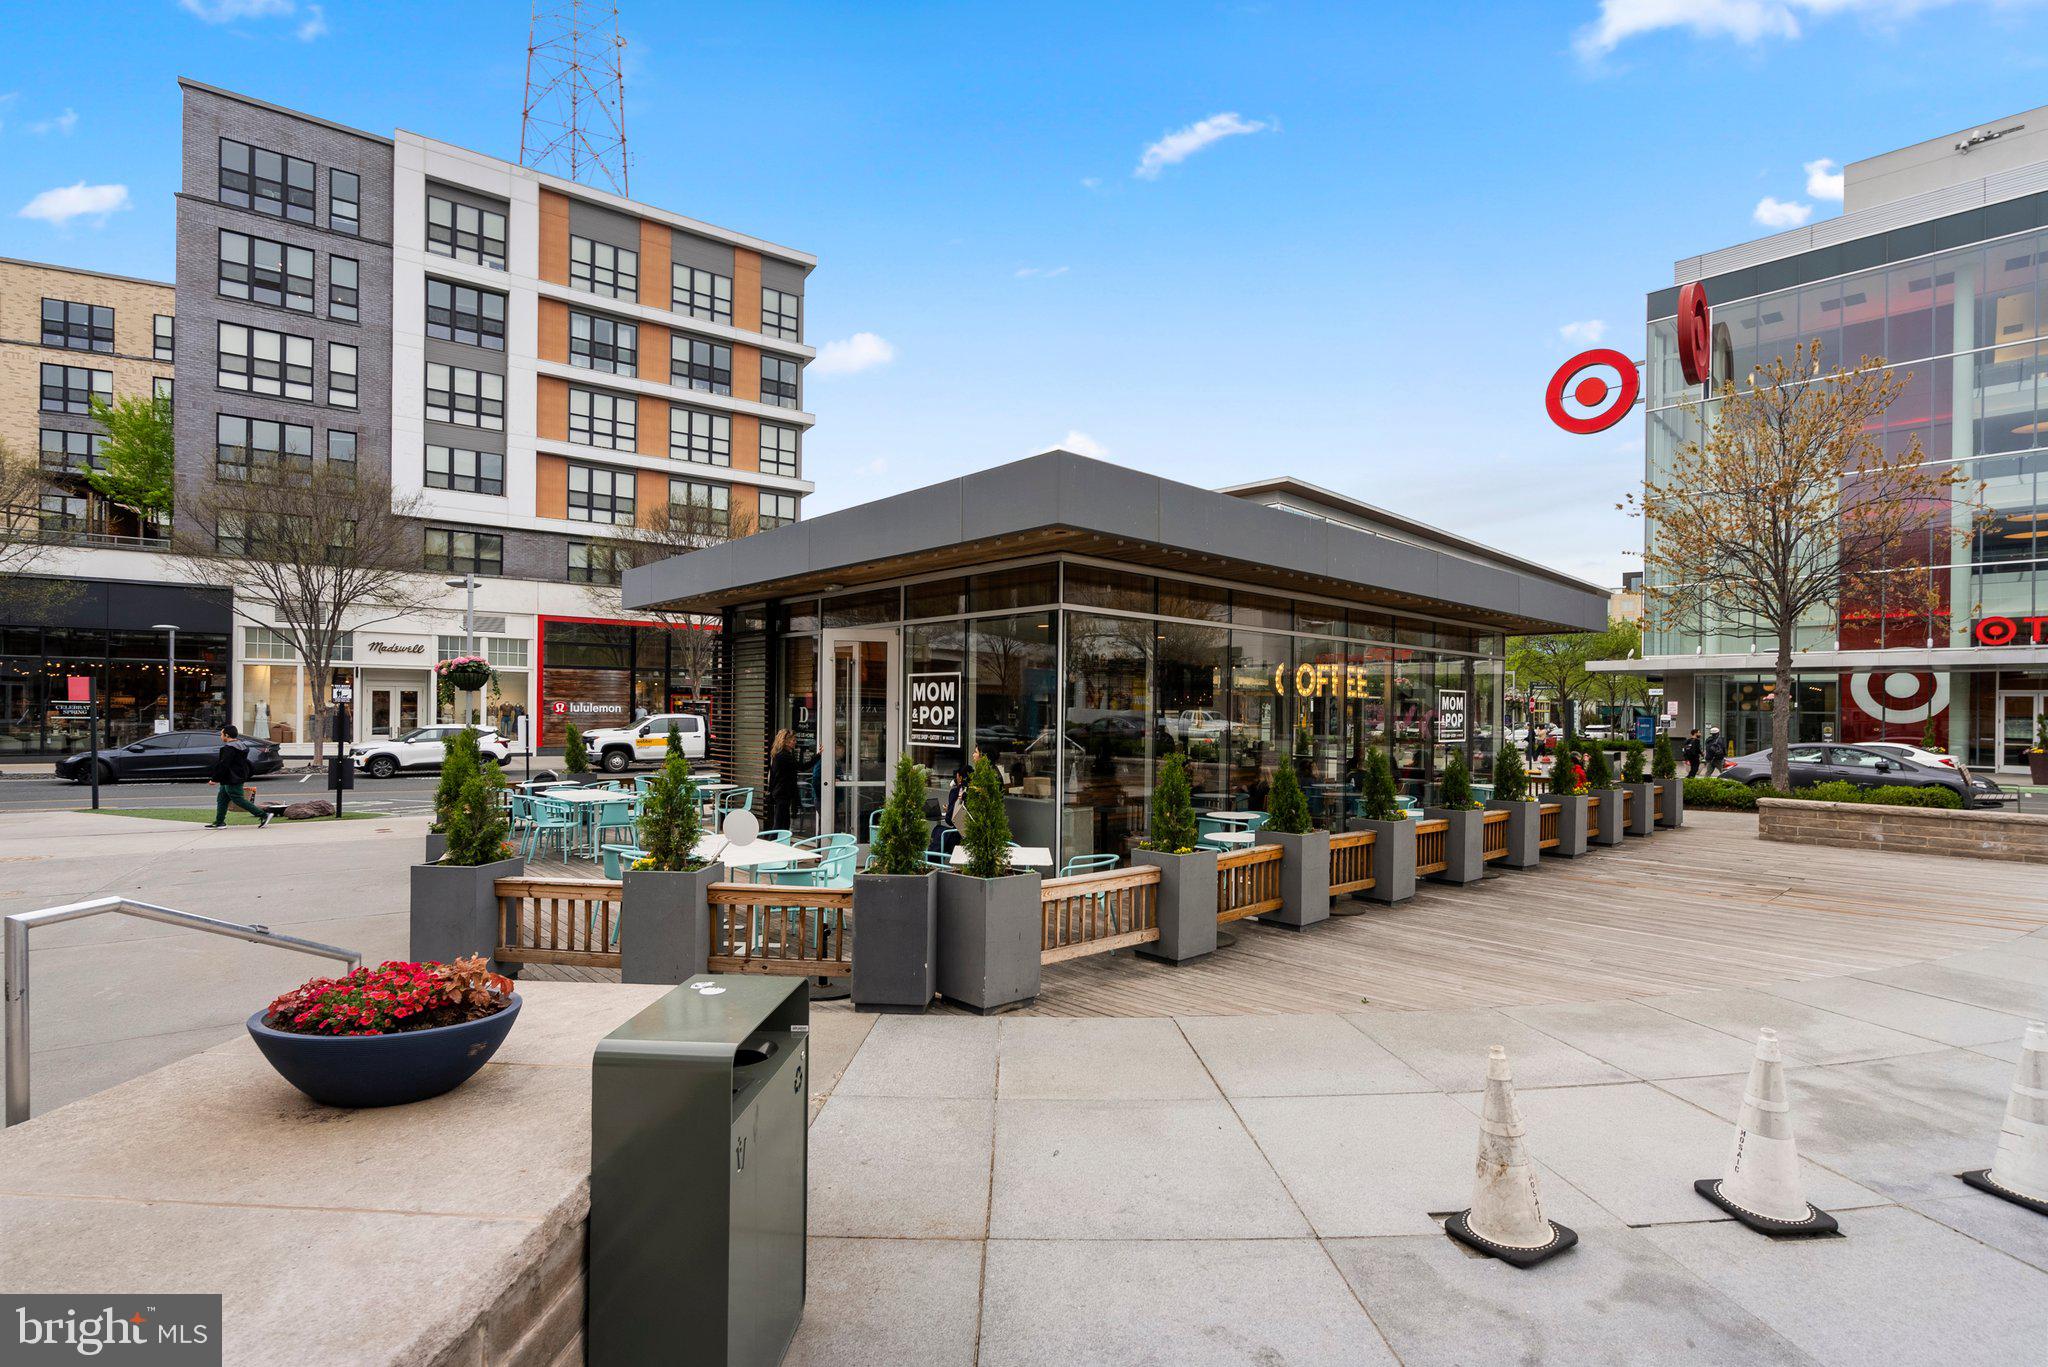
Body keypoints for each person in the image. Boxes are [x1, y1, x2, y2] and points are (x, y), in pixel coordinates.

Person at [205, 725, 272, 829]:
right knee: (222, 799)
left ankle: (264, 815)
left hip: (232, 778)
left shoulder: (228, 748)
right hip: (235, 776)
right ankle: (219, 822)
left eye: (221, 734)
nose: (221, 736)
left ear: (226, 735)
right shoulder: (242, 746)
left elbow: (223, 765)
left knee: (238, 799)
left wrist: (214, 779)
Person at [764, 729, 800, 832]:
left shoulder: (779, 755)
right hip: (783, 793)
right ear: (787, 742)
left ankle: (779, 844)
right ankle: (773, 844)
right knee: (780, 824)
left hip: (780, 793)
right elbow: (801, 767)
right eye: (793, 740)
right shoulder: (784, 756)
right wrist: (818, 756)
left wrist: (771, 792)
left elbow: (773, 777)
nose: (795, 742)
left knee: (782, 823)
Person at [932, 766, 970, 856]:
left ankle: (934, 861)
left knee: (937, 830)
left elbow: (950, 820)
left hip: (958, 835)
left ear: (958, 776)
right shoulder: (975, 792)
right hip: (971, 835)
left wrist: (949, 810)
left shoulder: (957, 792)